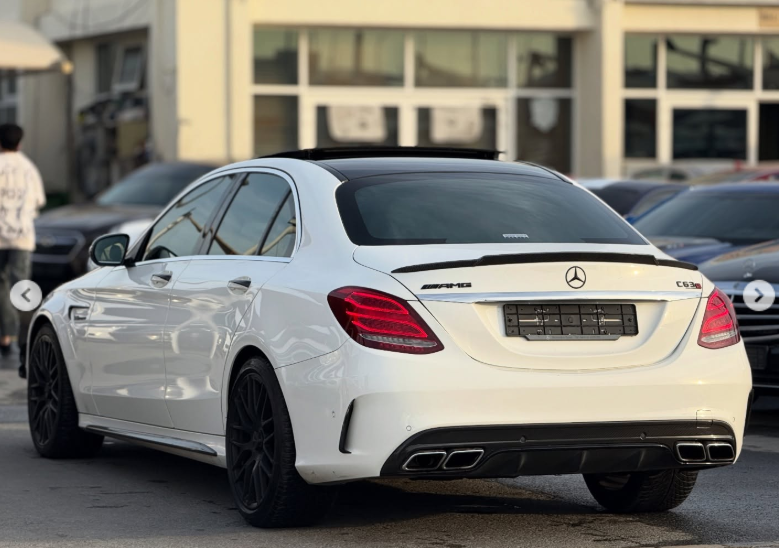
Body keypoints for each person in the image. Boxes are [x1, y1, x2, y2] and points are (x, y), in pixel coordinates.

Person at [0, 123, 46, 358]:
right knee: (22, 287)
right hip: (22, 236)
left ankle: (5, 338)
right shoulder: (29, 168)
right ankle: (28, 340)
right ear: (19, 142)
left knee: (1, 285)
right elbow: (39, 200)